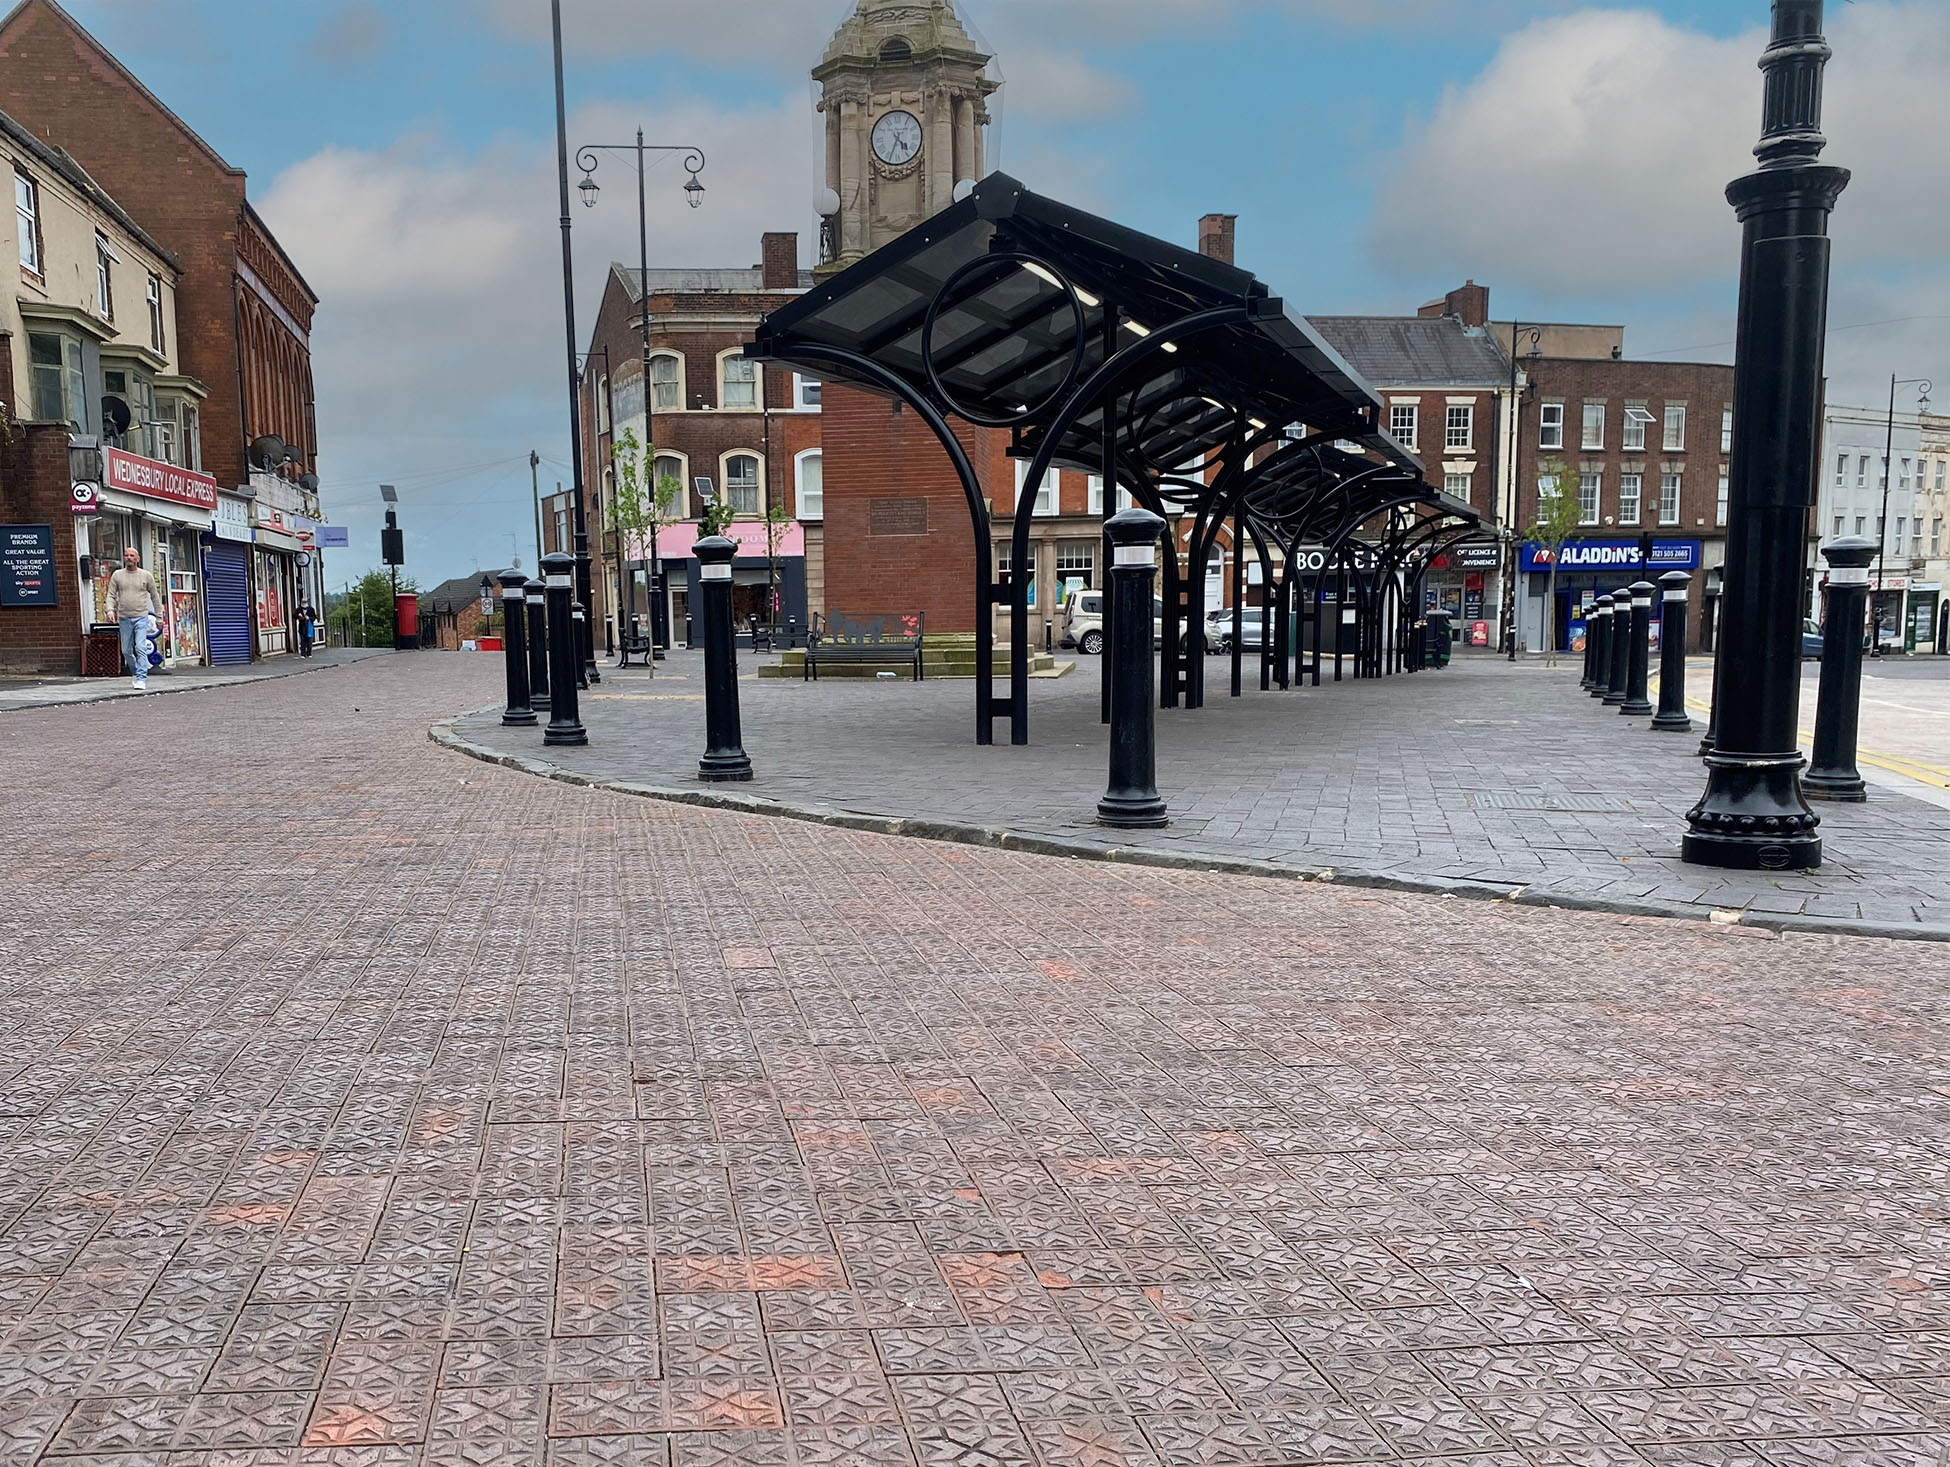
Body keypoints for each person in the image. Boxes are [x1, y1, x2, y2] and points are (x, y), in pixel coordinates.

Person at [107, 546, 161, 691]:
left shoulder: (146, 576)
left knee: (141, 647)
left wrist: (159, 618)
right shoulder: (117, 575)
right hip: (124, 617)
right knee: (126, 650)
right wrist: (110, 610)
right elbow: (111, 595)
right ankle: (136, 672)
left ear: (137, 559)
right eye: (126, 555)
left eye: (132, 555)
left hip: (141, 617)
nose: (129, 558)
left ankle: (142, 678)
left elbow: (155, 597)